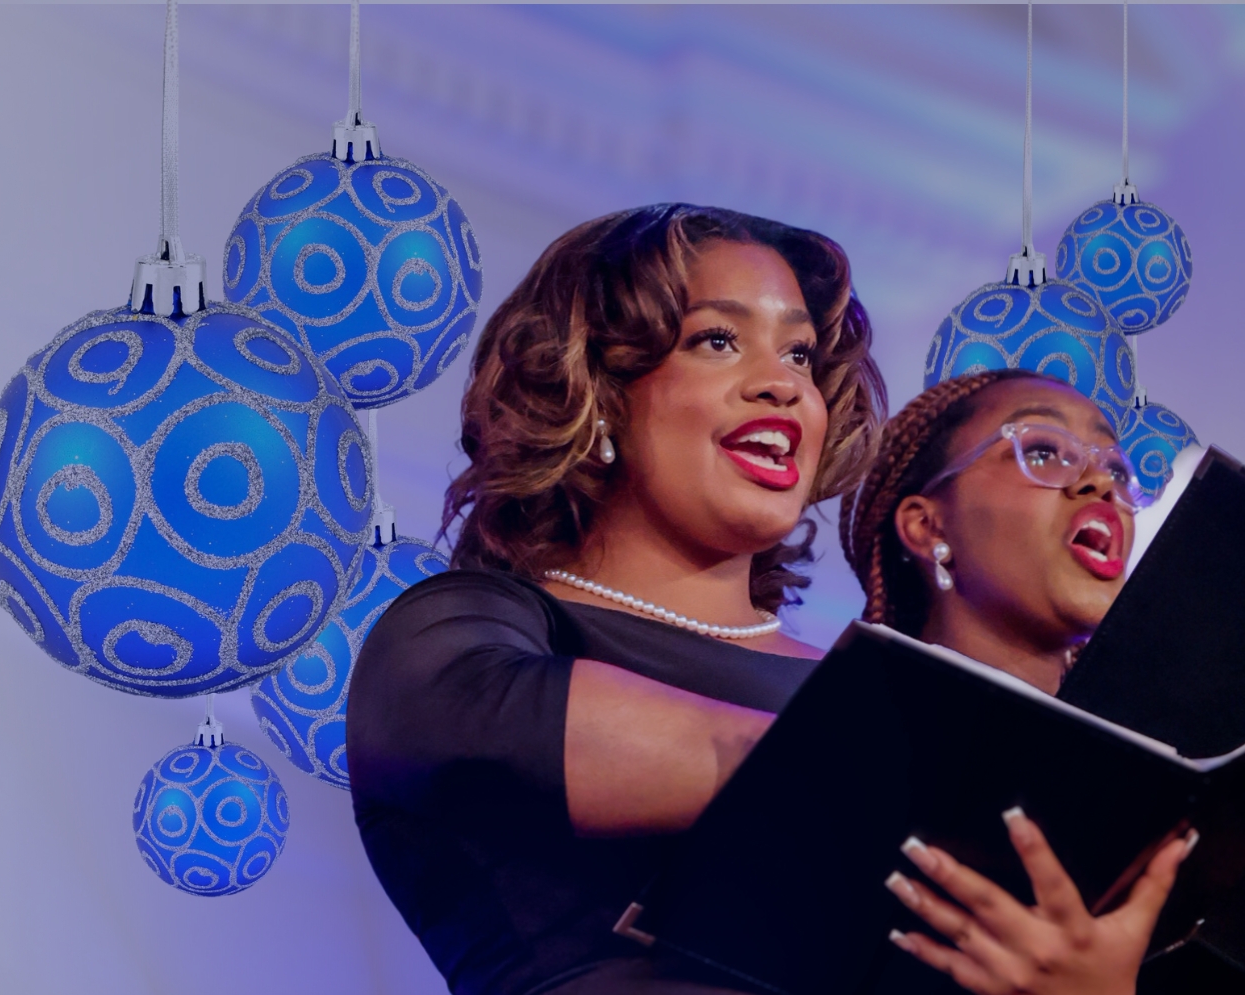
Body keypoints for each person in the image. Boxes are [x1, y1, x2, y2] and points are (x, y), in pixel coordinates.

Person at [347, 203, 885, 995]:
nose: (784, 385)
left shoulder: (872, 693)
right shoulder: (460, 635)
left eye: (799, 354)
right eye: (718, 340)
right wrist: (941, 789)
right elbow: (472, 740)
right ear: (598, 391)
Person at [840, 369, 1196, 995]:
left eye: (1116, 468)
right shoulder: (844, 742)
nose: (1101, 484)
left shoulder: (1166, 786)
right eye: (1043, 451)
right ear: (928, 526)